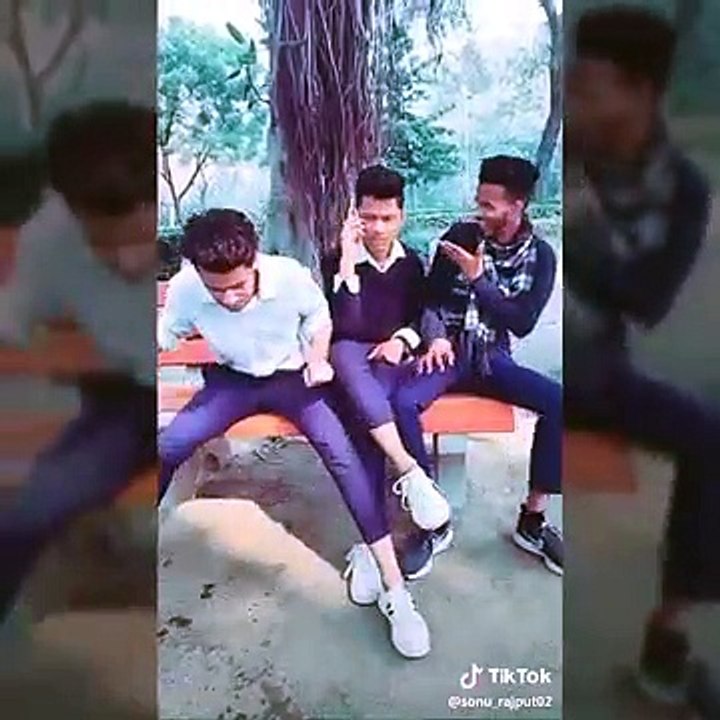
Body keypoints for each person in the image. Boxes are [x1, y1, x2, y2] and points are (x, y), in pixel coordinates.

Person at [157, 208, 431, 659]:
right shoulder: (187, 287)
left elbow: (319, 316)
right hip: (233, 381)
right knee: (169, 444)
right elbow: (167, 333)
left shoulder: (288, 276)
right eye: (216, 290)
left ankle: (396, 591)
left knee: (344, 459)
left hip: (294, 380)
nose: (228, 298)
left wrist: (317, 359)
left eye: (238, 286)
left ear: (254, 261)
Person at [565, 7, 720, 711]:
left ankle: (669, 635)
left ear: (640, 92)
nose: (575, 102)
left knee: (711, 437)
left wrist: (584, 232)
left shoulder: (682, 189)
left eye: (589, 88)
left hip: (595, 372)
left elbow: (649, 299)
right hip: (537, 360)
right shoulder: (564, 157)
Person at [0, 101, 157, 622]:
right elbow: (13, 318)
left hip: (195, 389)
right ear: (73, 212)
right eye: (105, 246)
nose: (128, 261)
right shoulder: (50, 237)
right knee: (26, 514)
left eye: (142, 238)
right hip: (123, 401)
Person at [394, 155, 563, 578]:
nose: (479, 211)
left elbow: (521, 322)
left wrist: (478, 279)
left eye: (489, 205)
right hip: (447, 352)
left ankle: (533, 520)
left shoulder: (541, 256)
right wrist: (434, 336)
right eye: (479, 201)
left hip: (491, 356)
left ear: (517, 206)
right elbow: (430, 299)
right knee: (402, 403)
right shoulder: (460, 236)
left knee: (560, 402)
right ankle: (432, 519)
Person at [320, 166, 453, 580]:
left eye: (387, 218)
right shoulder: (335, 259)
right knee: (344, 353)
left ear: (402, 216)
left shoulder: (411, 262)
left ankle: (370, 540)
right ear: (354, 216)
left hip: (389, 363)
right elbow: (345, 325)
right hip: (350, 360)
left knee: (365, 415)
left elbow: (419, 315)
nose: (377, 228)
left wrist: (402, 339)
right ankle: (409, 472)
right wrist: (347, 261)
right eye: (368, 218)